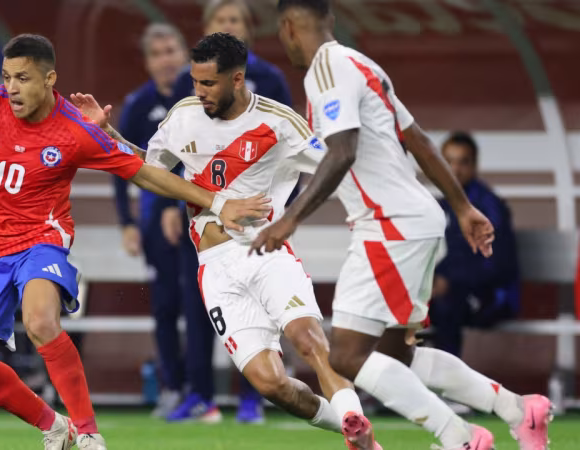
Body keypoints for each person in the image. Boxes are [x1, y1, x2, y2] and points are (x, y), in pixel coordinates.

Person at [0, 34, 268, 450]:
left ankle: (87, 433)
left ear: (49, 79)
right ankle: (55, 426)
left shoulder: (74, 130)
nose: (12, 88)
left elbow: (145, 173)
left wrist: (217, 202)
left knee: (40, 321)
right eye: (7, 77)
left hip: (41, 240)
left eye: (23, 78)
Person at [252, 1, 551, 449]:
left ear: (289, 27)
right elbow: (419, 140)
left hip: (388, 225)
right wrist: (462, 207)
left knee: (347, 356)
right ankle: (519, 410)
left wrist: (289, 221)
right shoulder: (362, 64)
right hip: (414, 221)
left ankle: (460, 438)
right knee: (397, 354)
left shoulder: (326, 69)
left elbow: (343, 151)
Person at [71, 32, 380, 450]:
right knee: (270, 383)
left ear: (237, 79)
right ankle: (354, 433)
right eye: (195, 82)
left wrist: (349, 214)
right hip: (215, 268)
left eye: (209, 83)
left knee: (308, 339)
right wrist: (109, 134)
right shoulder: (183, 116)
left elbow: (336, 162)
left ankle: (353, 419)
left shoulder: (278, 122)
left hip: (266, 253)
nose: (199, 92)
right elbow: (150, 169)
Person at [162, 0, 295, 424]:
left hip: (255, 222)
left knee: (258, 310)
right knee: (198, 306)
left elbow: (293, 152)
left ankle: (254, 397)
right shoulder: (189, 92)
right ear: (207, 27)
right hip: (202, 219)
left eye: (236, 19)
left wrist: (285, 211)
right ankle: (200, 395)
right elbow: (168, 154)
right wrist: (170, 205)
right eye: (221, 20)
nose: (229, 25)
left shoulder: (270, 81)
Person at [111, 23, 212, 419]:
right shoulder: (139, 104)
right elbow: (120, 162)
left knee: (198, 304)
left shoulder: (202, 97)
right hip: (156, 222)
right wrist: (127, 222)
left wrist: (177, 205)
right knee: (165, 306)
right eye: (157, 54)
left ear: (184, 55)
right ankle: (172, 387)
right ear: (147, 62)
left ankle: (201, 392)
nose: (165, 60)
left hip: (198, 215)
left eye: (171, 51)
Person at [430, 132, 520, 356]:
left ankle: (445, 375)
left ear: (474, 165)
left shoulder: (488, 207)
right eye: (449, 162)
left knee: (445, 307)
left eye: (463, 162)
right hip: (454, 291)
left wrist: (448, 279)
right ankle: (416, 372)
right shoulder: (442, 204)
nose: (455, 169)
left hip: (493, 295)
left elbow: (493, 264)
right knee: (409, 307)